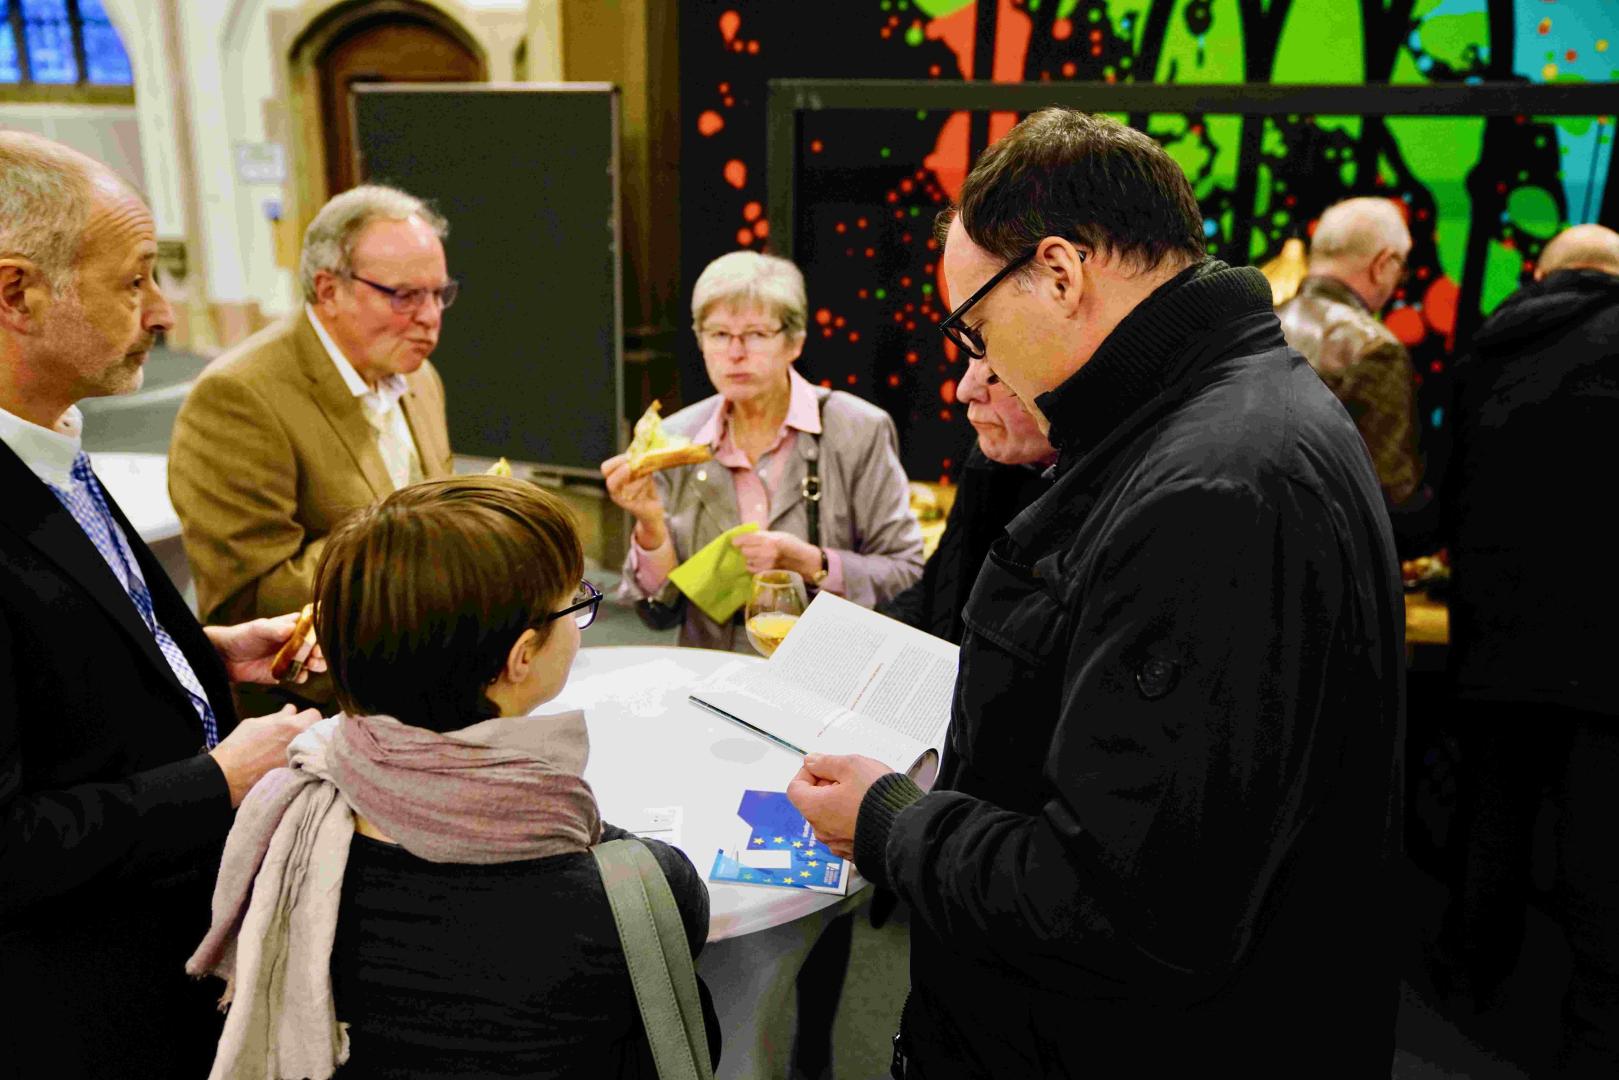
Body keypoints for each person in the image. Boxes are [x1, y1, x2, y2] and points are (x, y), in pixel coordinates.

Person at [788, 109, 1405, 1076]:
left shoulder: (1211, 487)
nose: (975, 371)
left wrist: (889, 821)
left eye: (975, 329)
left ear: (1061, 274)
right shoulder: (1232, 414)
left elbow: (1119, 906)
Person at [188, 475, 720, 1079]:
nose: (581, 613)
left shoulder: (278, 824)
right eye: (574, 602)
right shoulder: (633, 894)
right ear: (521, 657)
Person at [0, 131, 323, 1078]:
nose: (164, 312)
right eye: (134, 280)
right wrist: (216, 781)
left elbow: (49, 658)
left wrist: (203, 653)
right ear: (16, 294)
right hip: (82, 1005)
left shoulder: (48, 437)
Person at [1437, 223, 1619, 1073]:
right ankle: (1591, 1039)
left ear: (1543, 274)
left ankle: (1463, 1000)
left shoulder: (1487, 350)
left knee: (1490, 827)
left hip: (1493, 636)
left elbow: (1443, 498)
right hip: (1602, 646)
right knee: (1597, 856)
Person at [168, 184, 455, 641]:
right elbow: (247, 603)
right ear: (329, 290)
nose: (430, 316)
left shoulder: (419, 376)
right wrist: (420, 542)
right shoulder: (238, 396)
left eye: (439, 294)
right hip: (332, 674)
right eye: (405, 295)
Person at [604, 250, 923, 651]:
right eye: (719, 334)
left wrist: (812, 563)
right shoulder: (675, 439)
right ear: (700, 342)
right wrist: (650, 524)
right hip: (712, 667)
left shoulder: (857, 429)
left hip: (826, 661)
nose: (735, 353)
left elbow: (906, 571)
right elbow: (657, 610)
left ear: (794, 343)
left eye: (755, 334)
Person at [1277, 197, 1429, 550]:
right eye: (1401, 267)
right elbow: (1390, 491)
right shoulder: (1376, 350)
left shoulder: (1256, 322)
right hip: (1317, 553)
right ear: (1382, 264)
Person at [879, 352, 1055, 643]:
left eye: (994, 374)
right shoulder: (990, 458)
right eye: (970, 361)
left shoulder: (1111, 495)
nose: (963, 391)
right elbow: (936, 592)